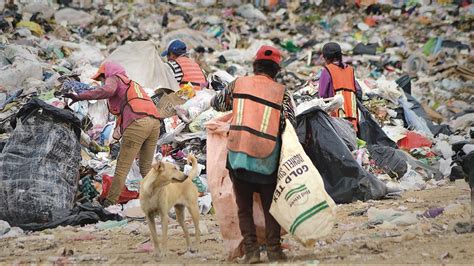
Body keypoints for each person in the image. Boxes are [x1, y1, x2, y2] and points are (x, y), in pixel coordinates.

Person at [211, 45, 296, 263]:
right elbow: (289, 123)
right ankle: (275, 250)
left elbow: (217, 103)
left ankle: (251, 252)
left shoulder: (239, 83)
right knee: (271, 207)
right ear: (276, 70)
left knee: (244, 208)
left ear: (254, 65)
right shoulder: (281, 92)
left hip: (238, 155)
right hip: (267, 158)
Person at [64, 61, 160, 207]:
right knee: (145, 168)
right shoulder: (132, 84)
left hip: (138, 122)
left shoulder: (114, 78)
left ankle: (110, 202)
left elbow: (107, 91)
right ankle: (161, 198)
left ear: (107, 73)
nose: (103, 81)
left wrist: (80, 96)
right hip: (154, 122)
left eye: (102, 77)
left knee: (122, 167)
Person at [319, 42, 362, 131]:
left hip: (336, 120)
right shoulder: (350, 70)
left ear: (326, 57)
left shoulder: (327, 70)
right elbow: (358, 90)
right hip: (352, 118)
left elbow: (322, 94)